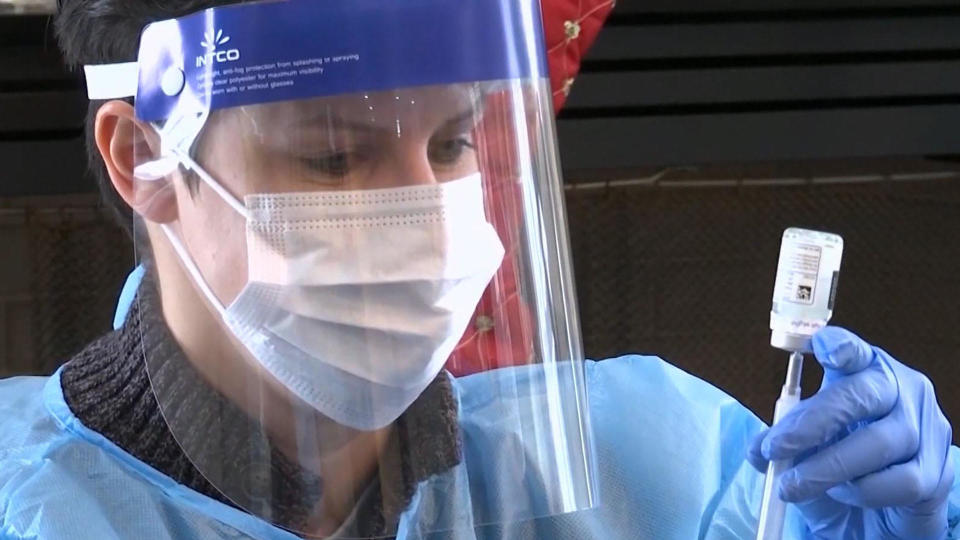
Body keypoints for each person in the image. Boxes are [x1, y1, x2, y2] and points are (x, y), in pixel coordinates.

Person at [0, 0, 957, 538]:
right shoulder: (33, 510)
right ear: (144, 159)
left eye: (453, 143)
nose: (425, 223)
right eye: (334, 156)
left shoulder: (652, 471)